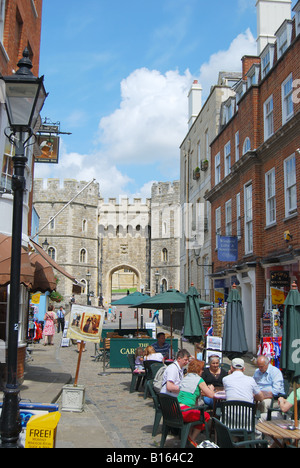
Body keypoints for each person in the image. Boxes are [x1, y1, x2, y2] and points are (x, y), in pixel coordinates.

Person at [178, 359, 215, 447]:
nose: (202, 371)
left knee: (196, 414)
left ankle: (188, 436)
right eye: (202, 369)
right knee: (205, 416)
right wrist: (211, 389)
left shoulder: (185, 377)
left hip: (176, 409)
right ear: (198, 370)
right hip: (185, 411)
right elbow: (211, 395)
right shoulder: (199, 379)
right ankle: (192, 438)